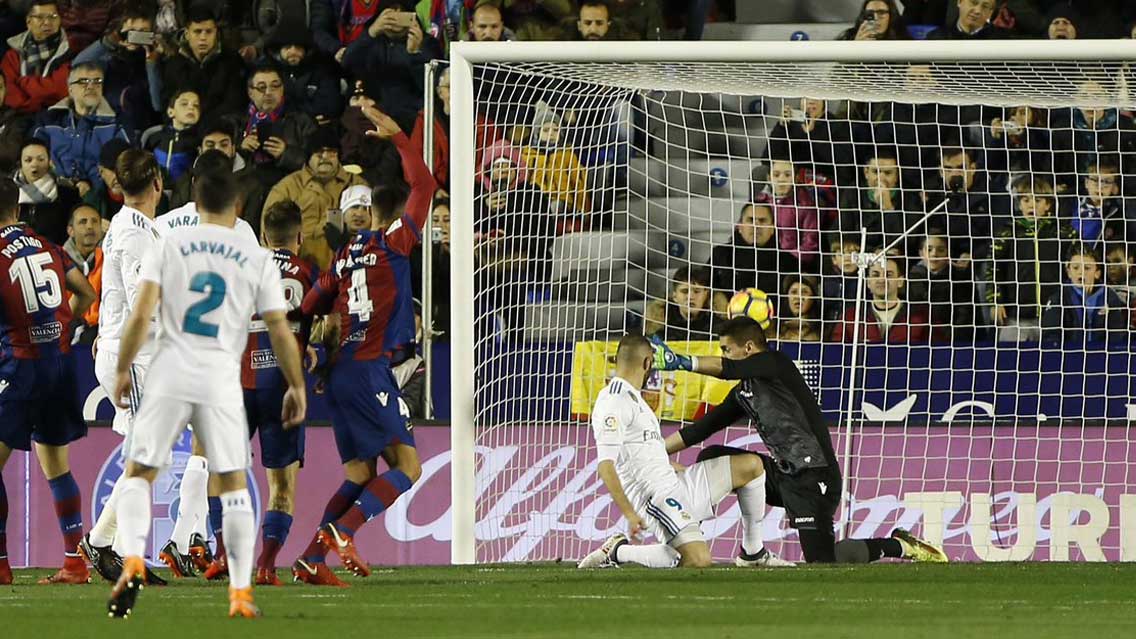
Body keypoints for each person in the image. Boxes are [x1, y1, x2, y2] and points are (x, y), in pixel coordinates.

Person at [105, 166, 306, 619]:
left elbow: (140, 314)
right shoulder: (253, 253)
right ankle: (238, 590)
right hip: (219, 375)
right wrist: (295, 383)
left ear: (193, 204)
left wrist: (122, 368)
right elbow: (278, 327)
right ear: (236, 206)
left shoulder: (168, 242)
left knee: (140, 471)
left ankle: (133, 556)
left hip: (172, 368)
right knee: (234, 483)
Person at [650, 317, 948, 564]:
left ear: (749, 348)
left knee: (823, 562)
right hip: (782, 475)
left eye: (727, 349)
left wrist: (681, 361)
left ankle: (898, 545)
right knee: (711, 456)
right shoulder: (744, 392)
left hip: (814, 479)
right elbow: (700, 430)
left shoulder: (775, 363)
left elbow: (729, 370)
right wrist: (653, 451)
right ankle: (723, 547)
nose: (724, 356)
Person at [291, 107, 435, 587]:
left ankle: (312, 558)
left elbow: (309, 306)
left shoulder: (341, 258)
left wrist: (302, 349)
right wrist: (399, 140)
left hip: (339, 372)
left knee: (358, 474)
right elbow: (425, 187)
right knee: (408, 467)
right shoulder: (394, 244)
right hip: (371, 369)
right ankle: (342, 531)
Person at [576, 333, 794, 570]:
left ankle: (753, 554)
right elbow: (606, 465)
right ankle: (619, 552)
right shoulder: (614, 400)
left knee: (751, 466)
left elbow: (638, 453)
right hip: (655, 497)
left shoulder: (635, 399)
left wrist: (671, 467)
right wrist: (629, 514)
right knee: (698, 560)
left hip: (676, 482)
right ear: (648, 363)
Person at [80, 150, 183, 588]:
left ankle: (107, 543)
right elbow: (144, 302)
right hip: (134, 356)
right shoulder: (138, 233)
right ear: (157, 183)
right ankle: (112, 547)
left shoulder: (131, 226)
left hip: (130, 351)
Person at [0, 178, 96, 586]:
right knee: (57, 467)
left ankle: (1, 564)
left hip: (20, 366)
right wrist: (59, 326)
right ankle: (75, 561)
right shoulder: (48, 244)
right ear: (18, 210)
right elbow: (86, 294)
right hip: (58, 361)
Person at [240, 199, 319, 586]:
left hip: (235, 382)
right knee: (281, 487)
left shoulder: (241, 267)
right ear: (299, 237)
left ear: (262, 236)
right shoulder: (307, 272)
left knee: (221, 473)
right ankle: (267, 565)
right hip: (282, 385)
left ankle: (221, 553)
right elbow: (325, 323)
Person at [261, 126, 366, 268]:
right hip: (297, 271)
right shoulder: (287, 187)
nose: (325, 158)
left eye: (331, 152)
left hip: (345, 270)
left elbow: (374, 229)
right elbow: (269, 231)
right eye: (319, 152)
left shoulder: (357, 185)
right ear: (308, 156)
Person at [987, 176, 1076, 342]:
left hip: (1055, 317)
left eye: (1038, 200)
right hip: (1016, 317)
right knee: (1011, 363)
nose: (1031, 204)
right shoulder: (1007, 233)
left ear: (1048, 204)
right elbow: (993, 268)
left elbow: (1075, 265)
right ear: (1019, 204)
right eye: (1026, 199)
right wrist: (995, 301)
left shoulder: (1064, 233)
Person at [32, 62, 130, 196]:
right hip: (51, 192)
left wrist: (90, 183)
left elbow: (123, 166)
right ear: (70, 90)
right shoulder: (48, 119)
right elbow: (32, 156)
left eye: (97, 82)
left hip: (98, 196)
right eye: (83, 82)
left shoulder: (117, 123)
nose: (91, 86)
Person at [70, 4, 163, 133]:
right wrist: (108, 42)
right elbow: (78, 65)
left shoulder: (156, 62)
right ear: (122, 29)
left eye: (142, 31)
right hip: (107, 123)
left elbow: (157, 104)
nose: (135, 36)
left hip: (140, 127)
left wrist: (152, 62)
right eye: (131, 31)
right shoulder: (110, 58)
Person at [233, 63, 318, 192]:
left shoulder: (301, 121)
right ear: (250, 93)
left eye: (275, 86)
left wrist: (285, 154)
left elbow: (316, 163)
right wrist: (241, 148)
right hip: (244, 188)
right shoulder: (236, 123)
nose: (268, 92)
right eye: (261, 87)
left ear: (282, 89)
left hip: (290, 188)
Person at [707, 198, 792, 315]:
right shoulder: (721, 254)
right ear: (740, 227)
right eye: (750, 220)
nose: (756, 225)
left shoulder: (788, 261)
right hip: (727, 325)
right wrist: (715, 294)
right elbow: (701, 284)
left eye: (762, 221)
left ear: (773, 229)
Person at [829, 253, 938, 343]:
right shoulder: (851, 317)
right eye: (876, 275)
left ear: (900, 281)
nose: (882, 280)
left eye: (889, 275)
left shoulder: (922, 317)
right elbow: (837, 353)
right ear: (868, 282)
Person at [158, 6, 246, 117]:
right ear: (187, 34)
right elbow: (167, 103)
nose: (203, 37)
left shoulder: (232, 60)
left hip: (219, 126)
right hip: (184, 125)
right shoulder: (174, 63)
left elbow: (235, 103)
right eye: (197, 32)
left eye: (209, 32)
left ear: (216, 33)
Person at [1041, 244, 1129, 346]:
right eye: (1075, 268)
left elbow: (1117, 334)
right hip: (1069, 356)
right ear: (1068, 272)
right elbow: (1051, 336)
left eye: (1087, 268)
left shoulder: (1109, 297)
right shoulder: (1058, 298)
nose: (1081, 272)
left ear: (1097, 273)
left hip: (1102, 356)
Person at [1, 1, 72, 114]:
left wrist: (23, 82)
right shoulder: (13, 53)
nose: (47, 22)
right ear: (28, 22)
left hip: (58, 113)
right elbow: (10, 93)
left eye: (53, 17)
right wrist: (34, 103)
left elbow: (59, 89)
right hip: (18, 115)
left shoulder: (69, 51)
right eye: (40, 17)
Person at [14, 137, 81, 244]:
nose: (34, 164)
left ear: (49, 162)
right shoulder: (9, 194)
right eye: (28, 160)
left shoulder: (67, 194)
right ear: (20, 164)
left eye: (40, 159)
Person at [644, 265, 714, 342]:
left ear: (706, 295)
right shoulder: (659, 327)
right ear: (674, 297)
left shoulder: (716, 326)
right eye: (685, 291)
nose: (690, 297)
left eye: (696, 291)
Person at [926, 0, 1012, 39]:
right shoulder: (936, 38)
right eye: (973, 2)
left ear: (990, 13)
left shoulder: (1002, 40)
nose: (978, 11)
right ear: (959, 2)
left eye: (985, 6)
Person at [837, 0, 909, 40]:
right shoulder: (848, 37)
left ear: (891, 16)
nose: (876, 18)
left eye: (881, 12)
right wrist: (855, 48)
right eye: (870, 13)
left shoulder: (903, 39)